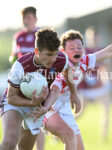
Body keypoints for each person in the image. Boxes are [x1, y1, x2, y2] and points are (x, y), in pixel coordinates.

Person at [30, 27, 112, 150]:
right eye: (71, 48)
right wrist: (45, 107)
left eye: (79, 47)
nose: (76, 50)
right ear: (62, 51)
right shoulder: (60, 65)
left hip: (64, 108)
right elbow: (55, 89)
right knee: (69, 135)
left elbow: (111, 50)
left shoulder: (84, 60)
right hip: (46, 107)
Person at [0, 27, 80, 150]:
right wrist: (30, 102)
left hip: (36, 106)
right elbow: (11, 98)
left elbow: (68, 71)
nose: (53, 59)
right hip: (15, 102)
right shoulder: (21, 66)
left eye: (54, 54)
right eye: (48, 54)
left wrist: (74, 94)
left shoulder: (61, 59)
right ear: (37, 51)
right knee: (10, 142)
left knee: (25, 148)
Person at [8, 6, 45, 150]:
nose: (26, 21)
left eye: (29, 18)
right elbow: (14, 56)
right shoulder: (18, 36)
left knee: (37, 119)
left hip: (38, 82)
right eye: (24, 18)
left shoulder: (41, 34)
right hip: (22, 82)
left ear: (35, 19)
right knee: (23, 119)